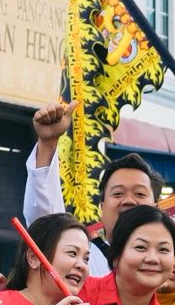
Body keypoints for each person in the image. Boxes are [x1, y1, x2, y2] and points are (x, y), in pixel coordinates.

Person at [21, 98, 161, 276]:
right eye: (118, 193)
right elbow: (46, 225)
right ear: (102, 207)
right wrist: (48, 144)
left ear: (157, 208)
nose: (128, 201)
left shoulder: (171, 270)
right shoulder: (81, 261)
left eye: (139, 194)